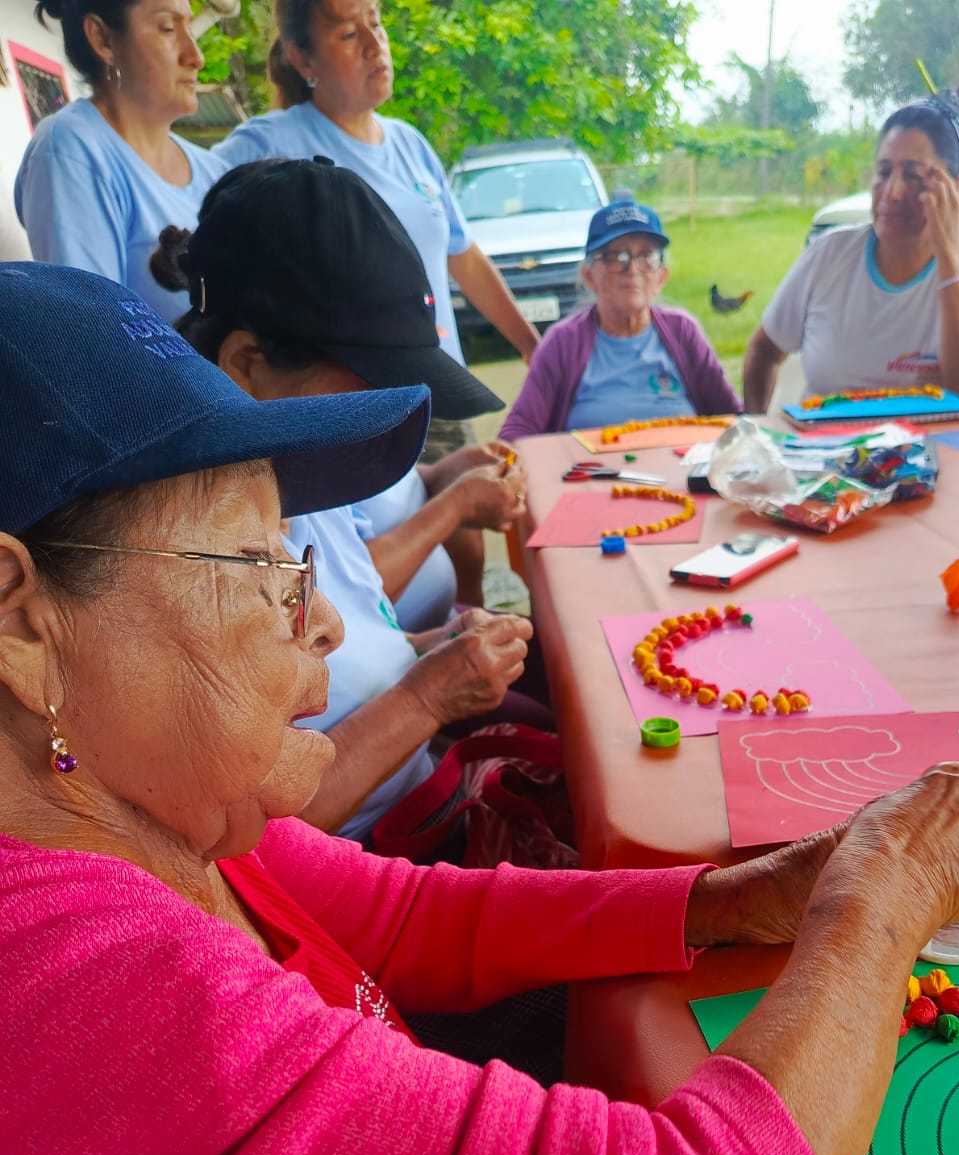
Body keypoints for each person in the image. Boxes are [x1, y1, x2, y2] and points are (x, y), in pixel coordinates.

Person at [0, 260, 959, 1155]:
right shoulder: (72, 983)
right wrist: (885, 890)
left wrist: (725, 900)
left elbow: (412, 913)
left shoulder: (153, 819)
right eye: (256, 564)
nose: (321, 614)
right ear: (22, 621)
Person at [151, 157, 537, 847]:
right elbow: (254, 838)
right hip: (362, 863)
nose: (386, 423)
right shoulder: (185, 554)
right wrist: (426, 697)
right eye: (368, 392)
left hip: (426, 793)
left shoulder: (304, 459)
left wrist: (434, 650)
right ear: (245, 364)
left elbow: (362, 645)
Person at [217, 0, 539, 459]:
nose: (375, 44)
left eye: (376, 23)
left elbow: (462, 256)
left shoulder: (410, 144)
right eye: (349, 34)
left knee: (481, 494)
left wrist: (531, 345)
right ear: (303, 60)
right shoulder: (267, 143)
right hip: (354, 403)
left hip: (440, 389)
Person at [743, 87, 959, 411]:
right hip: (824, 441)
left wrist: (949, 255)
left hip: (935, 443)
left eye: (913, 176)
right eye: (884, 172)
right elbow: (764, 351)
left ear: (956, 188)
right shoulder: (830, 253)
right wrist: (756, 426)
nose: (893, 191)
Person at [14, 0, 225, 321]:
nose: (196, 57)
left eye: (191, 29)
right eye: (168, 28)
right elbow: (90, 329)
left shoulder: (215, 172)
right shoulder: (73, 148)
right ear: (103, 40)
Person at [500, 198, 740, 441]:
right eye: (616, 257)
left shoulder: (683, 330)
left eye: (646, 256)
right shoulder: (563, 341)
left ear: (661, 277)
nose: (632, 269)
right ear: (588, 276)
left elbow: (733, 417)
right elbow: (518, 430)